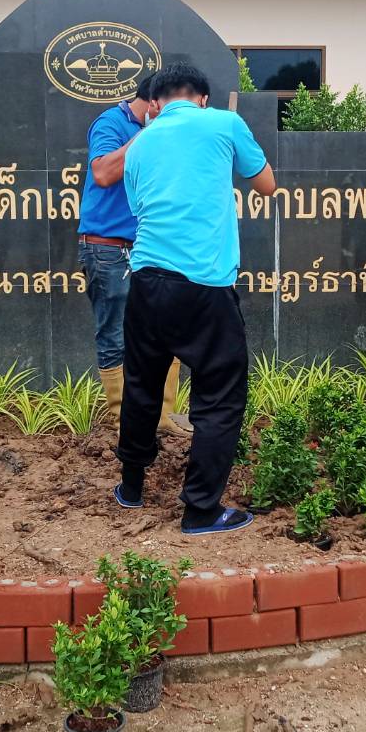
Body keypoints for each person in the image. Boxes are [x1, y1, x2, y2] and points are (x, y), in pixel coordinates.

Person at [113, 63, 276, 534]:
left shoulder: (139, 144)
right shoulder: (225, 123)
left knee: (141, 386)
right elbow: (267, 185)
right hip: (205, 285)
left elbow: (140, 206)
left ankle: (131, 488)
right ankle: (201, 510)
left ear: (158, 102)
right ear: (202, 97)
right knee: (220, 396)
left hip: (146, 282)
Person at [77, 75, 188, 433]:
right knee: (114, 334)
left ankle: (162, 417)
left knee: (167, 328)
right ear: (155, 103)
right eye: (171, 104)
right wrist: (148, 135)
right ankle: (123, 420)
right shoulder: (111, 122)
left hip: (152, 248)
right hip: (108, 248)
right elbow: (104, 173)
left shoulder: (170, 132)